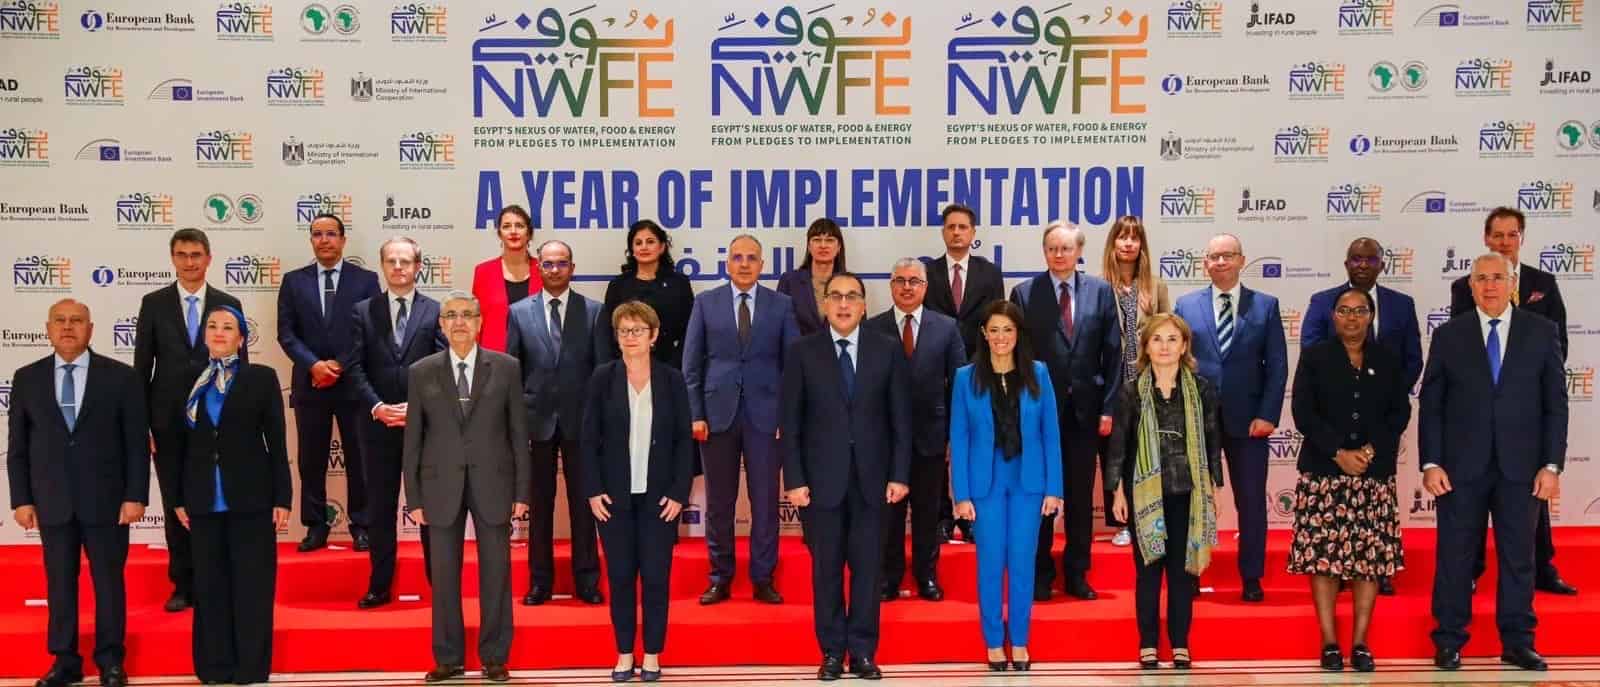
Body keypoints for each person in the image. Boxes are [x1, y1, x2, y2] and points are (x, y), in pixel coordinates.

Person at [1423, 253, 1567, 673]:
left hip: (1522, 469)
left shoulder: (1541, 331)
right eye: (1481, 278)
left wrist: (1552, 465)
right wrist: (1431, 462)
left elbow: (1555, 405)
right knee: (1455, 557)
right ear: (1470, 286)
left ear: (1512, 284)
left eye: (1498, 278)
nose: (1490, 285)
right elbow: (1432, 405)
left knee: (1519, 558)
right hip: (1459, 469)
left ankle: (1518, 642)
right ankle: (1449, 640)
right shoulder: (1449, 335)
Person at [9, 300, 147, 687]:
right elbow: (18, 447)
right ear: (48, 328)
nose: (68, 327)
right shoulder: (27, 378)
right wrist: (21, 499)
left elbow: (136, 443)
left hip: (108, 501)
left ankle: (111, 661)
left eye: (76, 321)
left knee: (109, 583)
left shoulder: (121, 377)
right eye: (60, 321)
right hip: (52, 500)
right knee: (59, 584)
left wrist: (135, 494)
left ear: (91, 328)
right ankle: (65, 661)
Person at [781, 272, 912, 681]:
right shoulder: (802, 352)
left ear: (863, 305)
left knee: (869, 571)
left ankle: (864, 652)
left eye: (851, 296)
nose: (843, 304)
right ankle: (832, 652)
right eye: (835, 296)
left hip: (874, 482)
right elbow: (791, 423)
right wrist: (795, 479)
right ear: (824, 304)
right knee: (826, 571)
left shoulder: (887, 350)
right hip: (821, 484)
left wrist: (899, 474)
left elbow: (901, 420)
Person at [403, 293, 531, 683]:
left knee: (496, 575)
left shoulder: (506, 368)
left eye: (467, 315)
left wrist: (521, 493)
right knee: (443, 577)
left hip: (495, 484)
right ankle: (448, 658)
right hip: (440, 487)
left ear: (479, 323)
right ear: (441, 325)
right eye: (451, 315)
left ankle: (495, 656)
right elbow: (413, 439)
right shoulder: (421, 371)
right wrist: (414, 497)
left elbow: (518, 433)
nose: (459, 322)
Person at [1447, 207, 1574, 596]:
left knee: (1533, 495)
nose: (1504, 242)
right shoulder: (1465, 286)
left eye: (1512, 234)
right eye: (1497, 235)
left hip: (1526, 411)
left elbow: (1558, 343)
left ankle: (1542, 568)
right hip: (1480, 413)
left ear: (1522, 238)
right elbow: (1461, 344)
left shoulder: (1543, 283)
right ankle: (1471, 570)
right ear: (1486, 238)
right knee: (1472, 500)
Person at [1289, 289, 1411, 672]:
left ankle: (1360, 644)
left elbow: (1399, 413)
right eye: (1344, 310)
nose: (1352, 317)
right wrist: (1338, 452)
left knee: (1367, 561)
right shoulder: (1315, 357)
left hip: (1373, 474)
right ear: (1334, 316)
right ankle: (1329, 642)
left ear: (1371, 316)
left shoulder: (1388, 360)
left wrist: (1369, 452)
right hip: (1324, 473)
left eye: (1360, 310)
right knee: (1323, 559)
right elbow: (1303, 412)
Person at [170, 306, 291, 685]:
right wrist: (177, 497)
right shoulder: (187, 379)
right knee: (210, 586)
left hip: (252, 499)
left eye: (228, 327)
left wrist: (283, 498)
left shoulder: (262, 378)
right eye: (212, 326)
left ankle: (250, 668)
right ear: (204, 335)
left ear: (241, 338)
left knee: (252, 586)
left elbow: (277, 441)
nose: (219, 332)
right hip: (202, 499)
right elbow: (175, 446)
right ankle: (215, 667)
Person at [580, 301, 696, 683]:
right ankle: (624, 653)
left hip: (659, 500)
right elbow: (588, 439)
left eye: (638, 330)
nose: (631, 337)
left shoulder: (672, 380)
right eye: (624, 331)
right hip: (614, 500)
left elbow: (683, 441)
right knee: (620, 579)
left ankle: (652, 654)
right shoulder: (603, 377)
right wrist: (593, 490)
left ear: (654, 335)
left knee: (656, 579)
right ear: (616, 337)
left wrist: (679, 492)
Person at [1300, 237, 1422, 597]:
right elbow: (1310, 356)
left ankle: (1376, 570)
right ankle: (1337, 570)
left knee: (1372, 518)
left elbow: (1412, 360)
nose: (1363, 264)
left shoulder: (1402, 304)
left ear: (1382, 263)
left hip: (1378, 433)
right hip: (1330, 435)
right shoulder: (1322, 301)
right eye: (1356, 258)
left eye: (1370, 258)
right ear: (1346, 263)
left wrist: (1382, 396)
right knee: (1332, 521)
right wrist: (1337, 446)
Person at [133, 227, 247, 613]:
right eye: (182, 255)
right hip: (166, 422)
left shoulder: (228, 302)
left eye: (196, 254)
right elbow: (141, 368)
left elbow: (240, 369)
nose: (189, 262)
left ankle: (215, 580)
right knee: (174, 502)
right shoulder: (154, 303)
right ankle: (183, 584)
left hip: (215, 420)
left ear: (208, 259)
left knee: (216, 497)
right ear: (173, 259)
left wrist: (237, 421)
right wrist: (141, 424)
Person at [683, 235, 800, 606]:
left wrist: (787, 415)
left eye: (752, 258)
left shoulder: (782, 305)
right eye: (738, 257)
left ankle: (763, 578)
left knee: (765, 502)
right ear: (727, 264)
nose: (745, 264)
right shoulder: (706, 303)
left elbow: (793, 367)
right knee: (719, 503)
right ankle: (720, 577)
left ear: (762, 265)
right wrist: (696, 414)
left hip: (767, 417)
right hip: (717, 416)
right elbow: (691, 366)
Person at [1172, 233, 1288, 602]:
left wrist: (1268, 414)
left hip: (1250, 422)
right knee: (1192, 500)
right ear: (1204, 263)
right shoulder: (1186, 305)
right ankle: (1190, 573)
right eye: (1214, 256)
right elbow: (1174, 362)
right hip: (1196, 420)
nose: (1220, 262)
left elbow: (1278, 366)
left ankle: (1251, 578)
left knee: (1251, 503)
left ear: (1241, 260)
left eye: (1228, 255)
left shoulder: (1265, 306)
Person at [1009, 221, 1121, 602]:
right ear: (1044, 252)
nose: (1059, 255)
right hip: (1039, 415)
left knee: (1078, 497)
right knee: (1039, 496)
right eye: (1052, 248)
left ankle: (1076, 573)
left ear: (1079, 252)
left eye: (1066, 248)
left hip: (1086, 413)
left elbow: (1114, 354)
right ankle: (1040, 575)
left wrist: (1108, 408)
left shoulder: (1101, 292)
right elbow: (1017, 355)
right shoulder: (1024, 293)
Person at [950, 301, 1064, 671]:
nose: (1001, 337)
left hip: (1029, 482)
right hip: (985, 483)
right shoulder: (966, 378)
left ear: (1018, 334)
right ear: (984, 334)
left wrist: (1054, 488)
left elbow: (1050, 434)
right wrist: (961, 494)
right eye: (994, 330)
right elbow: (960, 438)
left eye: (1008, 330)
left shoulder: (1039, 373)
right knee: (989, 563)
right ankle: (994, 642)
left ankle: (1021, 640)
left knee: (1022, 563)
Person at [1105, 313, 1222, 671]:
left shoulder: (1201, 389)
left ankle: (1181, 643)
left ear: (1184, 346)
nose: (1165, 346)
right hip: (1145, 495)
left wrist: (1214, 487)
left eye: (1172, 339)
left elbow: (1212, 440)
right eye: (1157, 339)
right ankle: (1148, 644)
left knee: (1182, 574)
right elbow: (1118, 446)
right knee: (1149, 573)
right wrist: (1117, 491)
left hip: (1188, 492)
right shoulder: (1131, 391)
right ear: (1146, 347)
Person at [506, 240, 609, 606]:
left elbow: (602, 373)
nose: (554, 270)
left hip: (582, 423)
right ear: (539, 268)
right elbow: (512, 371)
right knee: (540, 506)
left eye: (561, 263)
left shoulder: (594, 311)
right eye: (548, 264)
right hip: (535, 422)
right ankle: (540, 583)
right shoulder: (518, 312)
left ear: (572, 268)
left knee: (585, 504)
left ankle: (587, 581)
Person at [346, 236, 446, 608]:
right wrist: (377, 407)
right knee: (379, 509)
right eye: (392, 261)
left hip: (424, 429)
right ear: (383, 266)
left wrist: (417, 408)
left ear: (418, 266)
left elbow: (443, 369)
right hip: (377, 426)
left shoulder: (436, 311)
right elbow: (354, 367)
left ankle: (440, 586)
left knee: (430, 510)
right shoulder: (362, 311)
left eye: (405, 261)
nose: (399, 267)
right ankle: (379, 585)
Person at [277, 213, 381, 553]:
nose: (324, 240)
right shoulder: (294, 282)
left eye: (331, 234)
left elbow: (372, 329)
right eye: (317, 234)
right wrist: (314, 365)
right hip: (310, 385)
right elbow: (286, 333)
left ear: (343, 240)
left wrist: (339, 365)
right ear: (311, 240)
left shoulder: (366, 280)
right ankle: (315, 526)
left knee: (359, 458)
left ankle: (362, 525)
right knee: (311, 460)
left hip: (354, 385)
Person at [867, 258, 965, 602]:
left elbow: (959, 386)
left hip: (931, 437)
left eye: (914, 281)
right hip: (884, 440)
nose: (907, 287)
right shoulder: (872, 328)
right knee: (888, 515)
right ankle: (888, 578)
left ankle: (927, 576)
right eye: (900, 280)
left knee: (927, 513)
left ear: (925, 287)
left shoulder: (947, 327)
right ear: (890, 285)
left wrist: (954, 435)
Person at [923, 203, 1004, 543]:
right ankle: (943, 517)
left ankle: (972, 517)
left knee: (977, 446)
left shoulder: (990, 273)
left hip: (979, 373)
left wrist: (982, 367)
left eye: (963, 227)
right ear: (943, 232)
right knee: (937, 448)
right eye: (951, 227)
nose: (956, 232)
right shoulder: (928, 272)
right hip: (935, 376)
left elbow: (997, 323)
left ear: (973, 233)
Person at [1100, 215, 1171, 548]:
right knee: (1114, 454)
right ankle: (1120, 523)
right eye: (1122, 237)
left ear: (1142, 244)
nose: (1128, 243)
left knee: (1148, 454)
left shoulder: (1155, 286)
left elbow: (1169, 332)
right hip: (1112, 384)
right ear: (1113, 242)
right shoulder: (1099, 286)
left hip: (1147, 383)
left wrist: (1152, 317)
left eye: (1134, 237)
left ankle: (1150, 519)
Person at [597, 220, 695, 368]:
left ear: (662, 247)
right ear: (632, 249)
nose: (644, 247)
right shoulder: (618, 285)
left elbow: (689, 330)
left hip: (670, 365)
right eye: (638, 243)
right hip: (626, 366)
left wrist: (675, 366)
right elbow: (608, 331)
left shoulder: (679, 284)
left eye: (650, 242)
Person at [471, 204, 544, 352]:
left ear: (529, 233)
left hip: (537, 355)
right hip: (494, 356)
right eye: (506, 226)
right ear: (499, 234)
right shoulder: (483, 272)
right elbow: (476, 321)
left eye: (519, 226)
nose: (513, 231)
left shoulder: (544, 270)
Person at [776, 217, 848, 336]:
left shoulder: (850, 284)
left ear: (839, 247)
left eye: (829, 240)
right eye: (817, 240)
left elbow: (858, 329)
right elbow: (779, 326)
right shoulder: (789, 281)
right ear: (809, 246)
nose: (823, 245)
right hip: (799, 347)